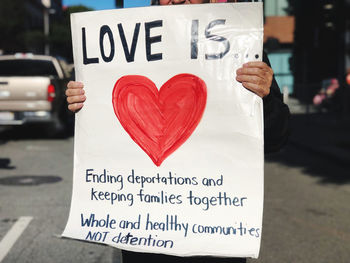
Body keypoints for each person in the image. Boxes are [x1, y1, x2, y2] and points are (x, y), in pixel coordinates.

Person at [66, 0, 290, 262]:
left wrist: (265, 98)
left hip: (214, 240)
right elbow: (104, 132)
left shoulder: (240, 44)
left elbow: (277, 138)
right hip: (145, 238)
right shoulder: (128, 45)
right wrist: (82, 102)